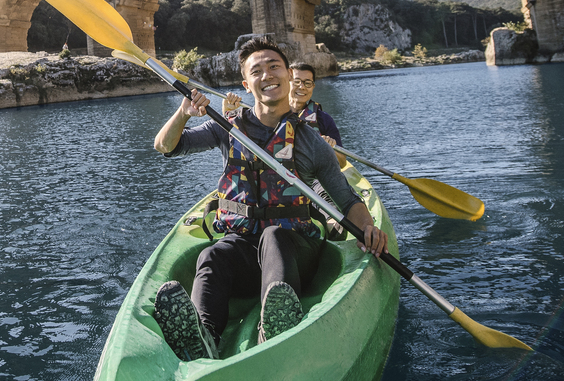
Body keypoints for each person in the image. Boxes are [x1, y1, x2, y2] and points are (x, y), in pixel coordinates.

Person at [149, 38, 388, 361]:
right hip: (246, 248)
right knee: (215, 254)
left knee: (275, 236)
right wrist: (183, 113)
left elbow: (345, 198)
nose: (267, 75)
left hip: (296, 252)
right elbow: (165, 146)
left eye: (274, 66)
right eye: (256, 71)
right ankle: (202, 335)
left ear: (289, 75)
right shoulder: (226, 128)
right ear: (247, 85)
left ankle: (274, 328)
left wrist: (369, 228)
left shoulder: (311, 141)